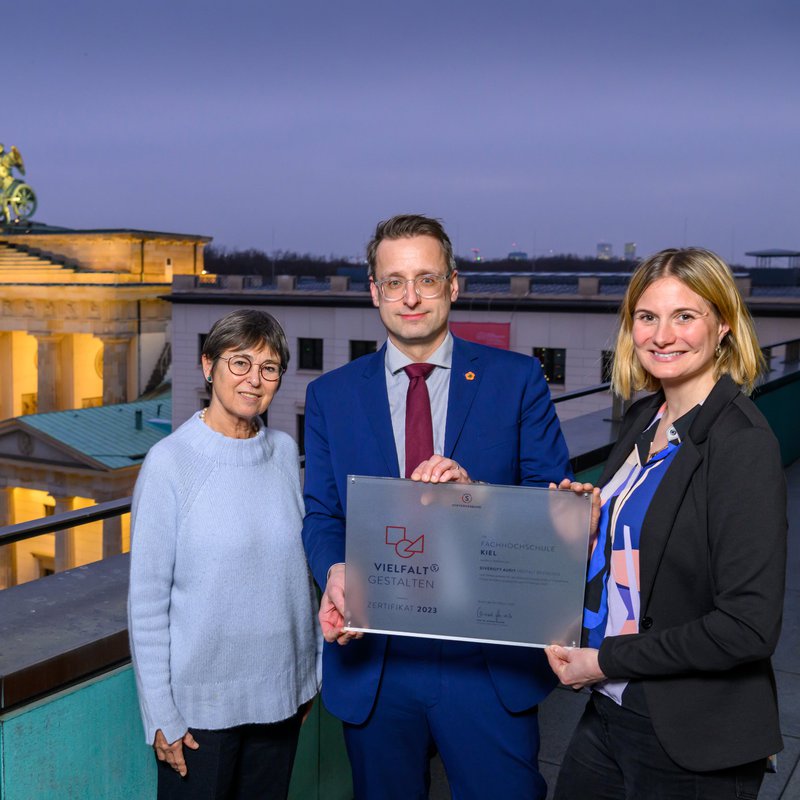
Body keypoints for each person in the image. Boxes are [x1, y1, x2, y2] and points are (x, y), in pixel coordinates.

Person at [302, 214, 572, 799]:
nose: (411, 296)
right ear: (374, 292)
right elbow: (322, 514)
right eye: (394, 281)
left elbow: (557, 513)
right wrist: (333, 570)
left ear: (454, 284)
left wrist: (475, 500)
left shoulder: (518, 380)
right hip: (377, 659)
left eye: (426, 279)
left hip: (483, 660)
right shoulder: (331, 396)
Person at [546, 248, 787, 799]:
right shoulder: (643, 419)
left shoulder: (741, 444)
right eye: (648, 317)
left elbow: (748, 626)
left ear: (723, 324)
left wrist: (603, 660)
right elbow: (642, 553)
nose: (662, 335)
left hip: (690, 730)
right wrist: (587, 532)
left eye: (685, 316)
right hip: (613, 708)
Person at [128, 309, 320, 800]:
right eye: (240, 363)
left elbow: (299, 577)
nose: (254, 380)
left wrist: (309, 674)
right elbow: (147, 602)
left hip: (281, 700)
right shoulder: (170, 462)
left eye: (269, 367)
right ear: (208, 365)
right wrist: (161, 716)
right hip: (199, 715)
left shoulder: (282, 452)